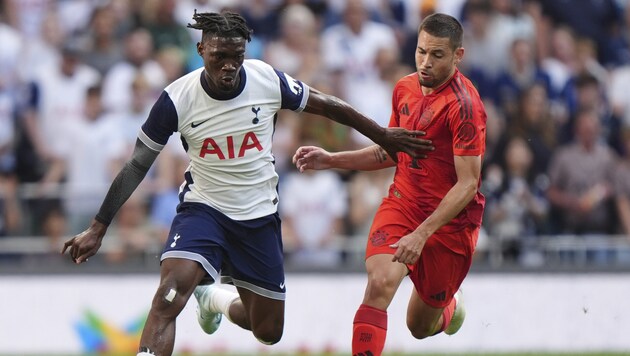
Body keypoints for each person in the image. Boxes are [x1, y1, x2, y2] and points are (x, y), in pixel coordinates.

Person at [61, 11, 430, 356]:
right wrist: (98, 226)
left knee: (267, 330)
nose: (229, 66)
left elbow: (330, 106)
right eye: (220, 55)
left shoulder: (265, 79)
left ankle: (215, 299)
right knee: (169, 297)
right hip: (204, 208)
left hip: (258, 215)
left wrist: (384, 135)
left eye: (237, 56)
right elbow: (137, 164)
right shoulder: (177, 99)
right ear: (200, 49)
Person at [293, 13, 486, 356]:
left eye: (437, 55)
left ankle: (449, 309)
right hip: (403, 203)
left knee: (418, 327)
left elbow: (468, 184)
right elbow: (391, 153)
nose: (426, 62)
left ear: (458, 56)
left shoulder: (465, 107)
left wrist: (422, 234)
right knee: (379, 284)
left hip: (449, 224)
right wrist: (333, 159)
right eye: (421, 51)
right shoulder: (404, 88)